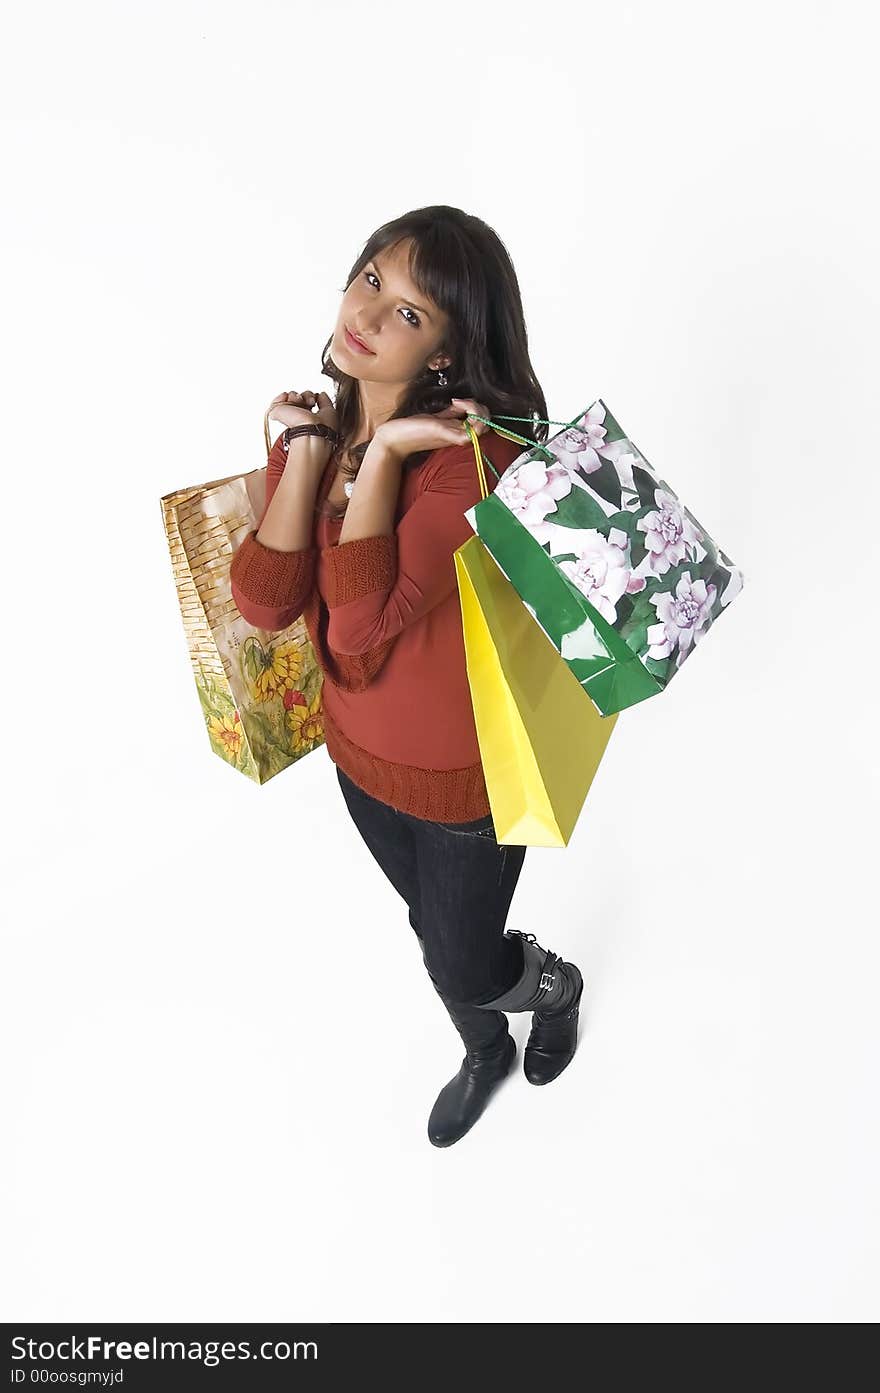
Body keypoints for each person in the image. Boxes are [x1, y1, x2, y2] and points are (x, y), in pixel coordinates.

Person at [230, 205, 584, 1147]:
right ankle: (484, 1051)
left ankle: (551, 987)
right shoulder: (325, 424)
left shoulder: (473, 463)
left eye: (413, 314)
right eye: (374, 278)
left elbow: (358, 631)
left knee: (464, 961)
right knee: (435, 940)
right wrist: (312, 453)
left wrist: (385, 456)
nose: (371, 313)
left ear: (445, 354)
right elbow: (266, 606)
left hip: (460, 786)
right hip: (360, 762)